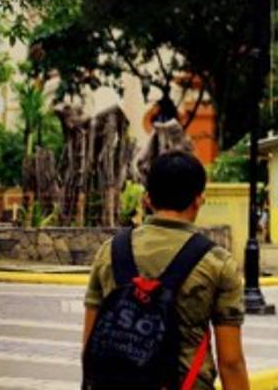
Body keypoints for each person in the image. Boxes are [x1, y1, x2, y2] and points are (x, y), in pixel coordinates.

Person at [82, 151, 248, 390]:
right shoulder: (217, 262)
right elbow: (231, 363)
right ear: (198, 200)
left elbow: (91, 344)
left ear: (148, 199)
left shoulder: (109, 252)